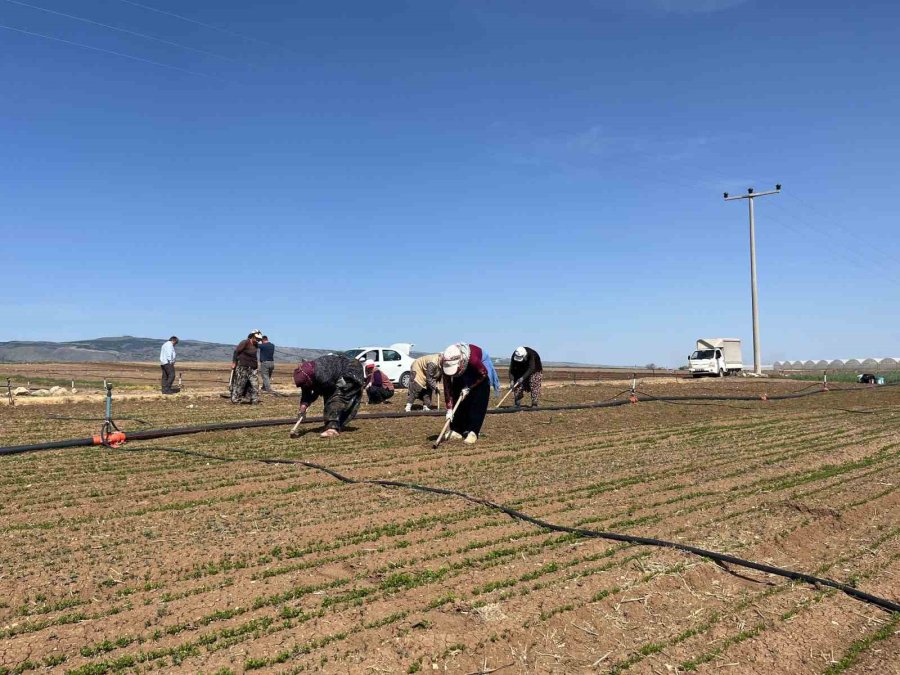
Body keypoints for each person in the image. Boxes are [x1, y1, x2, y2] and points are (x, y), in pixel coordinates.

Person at [293, 354, 365, 438]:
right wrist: (303, 405)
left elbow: (318, 392)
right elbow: (306, 391)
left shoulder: (322, 374)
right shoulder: (307, 374)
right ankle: (332, 424)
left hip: (351, 370)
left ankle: (333, 429)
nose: (305, 386)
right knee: (329, 399)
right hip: (337, 374)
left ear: (310, 379)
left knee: (336, 398)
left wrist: (309, 401)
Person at [440, 343, 492, 445]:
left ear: (460, 362)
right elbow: (447, 387)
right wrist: (449, 409)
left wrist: (469, 387)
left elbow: (483, 374)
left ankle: (473, 431)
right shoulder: (444, 362)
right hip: (461, 372)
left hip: (479, 374)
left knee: (477, 400)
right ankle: (456, 429)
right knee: (456, 396)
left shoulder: (473, 359)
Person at [231, 330, 263, 404]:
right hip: (242, 367)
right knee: (240, 384)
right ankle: (236, 400)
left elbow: (254, 357)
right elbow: (236, 352)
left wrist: (256, 367)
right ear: (252, 336)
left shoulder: (256, 345)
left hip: (252, 368)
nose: (258, 340)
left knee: (255, 385)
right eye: (257, 338)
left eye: (259, 339)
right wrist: (234, 362)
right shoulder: (245, 342)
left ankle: (254, 400)